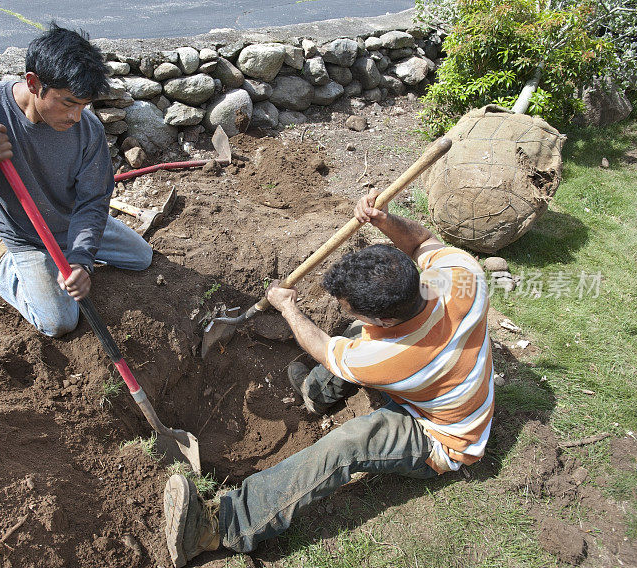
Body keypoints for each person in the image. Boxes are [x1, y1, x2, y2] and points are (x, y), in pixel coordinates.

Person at [162, 191, 494, 567]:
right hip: (443, 381)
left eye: (346, 304)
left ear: (386, 320)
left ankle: (222, 525)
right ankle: (315, 396)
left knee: (350, 443)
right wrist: (385, 220)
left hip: (444, 435)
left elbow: (325, 350)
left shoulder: (385, 359)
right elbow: (421, 241)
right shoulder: (461, 275)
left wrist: (287, 307)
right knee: (356, 333)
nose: (340, 307)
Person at [0, 23, 152, 337]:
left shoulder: (88, 129)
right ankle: (5, 266)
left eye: (84, 105)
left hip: (72, 224)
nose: (77, 116)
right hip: (29, 236)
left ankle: (69, 254)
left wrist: (81, 259)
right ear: (34, 82)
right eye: (68, 102)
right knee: (59, 322)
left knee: (141, 257)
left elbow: (93, 200)